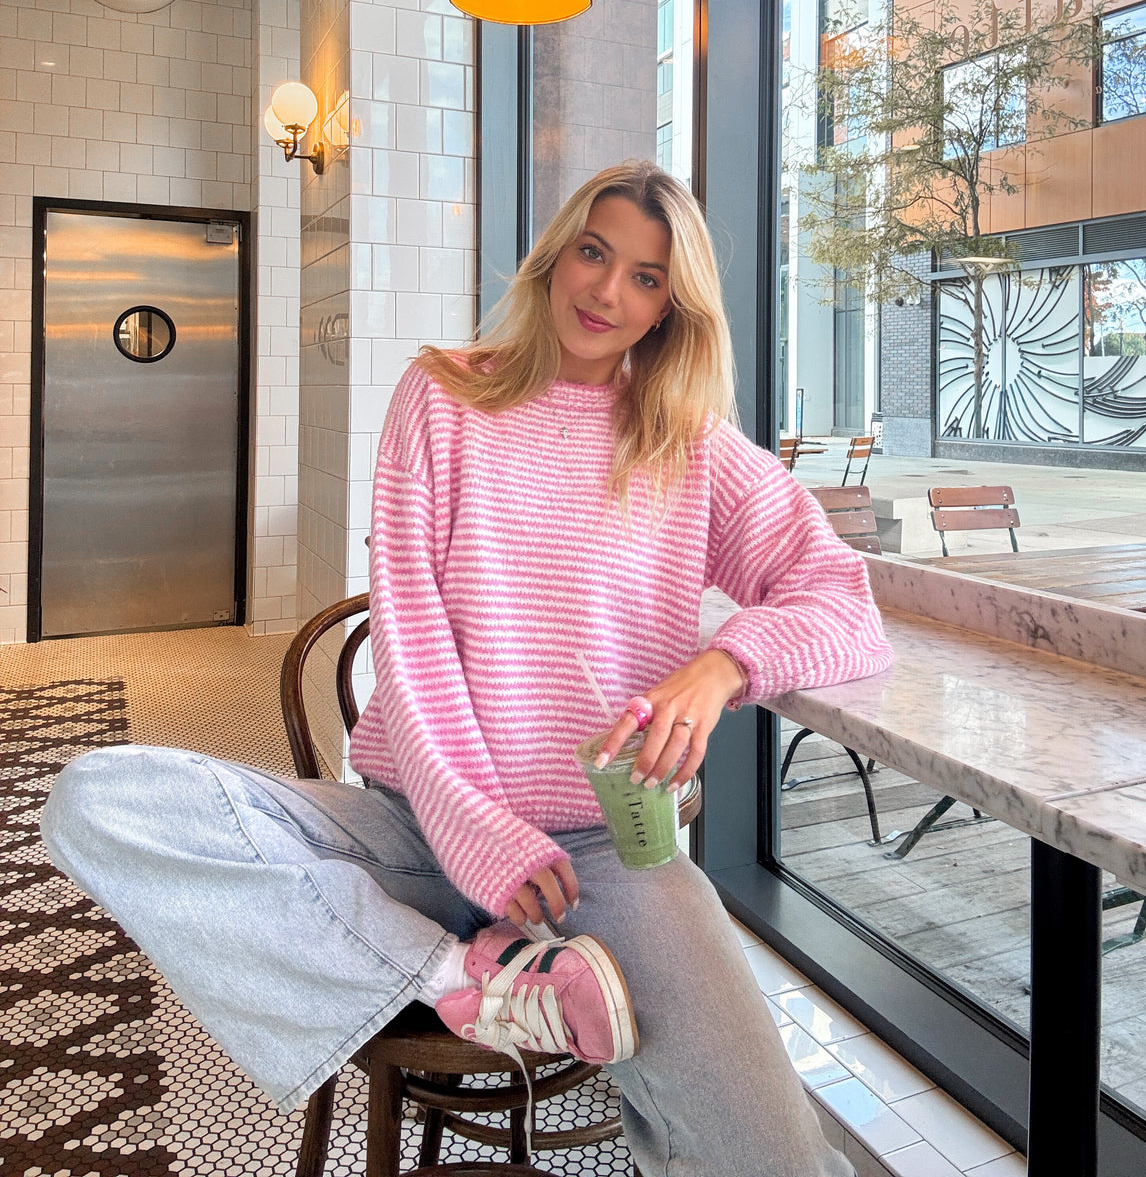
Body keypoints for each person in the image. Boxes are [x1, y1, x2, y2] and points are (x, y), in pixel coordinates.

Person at [41, 159, 892, 1177]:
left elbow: (844, 600)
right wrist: (482, 842)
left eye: (647, 277)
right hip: (419, 828)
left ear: (674, 308)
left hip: (609, 852)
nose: (607, 291)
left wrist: (721, 666)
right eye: (593, 251)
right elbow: (412, 644)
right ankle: (470, 976)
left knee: (779, 1159)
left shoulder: (686, 444)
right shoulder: (443, 394)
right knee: (99, 798)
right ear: (555, 255)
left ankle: (519, 975)